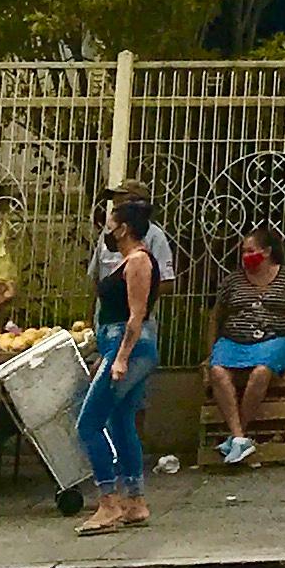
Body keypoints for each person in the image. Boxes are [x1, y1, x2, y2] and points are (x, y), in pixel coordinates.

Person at [78, 188, 164, 533]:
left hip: (128, 347)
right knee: (120, 421)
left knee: (88, 423)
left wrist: (120, 358)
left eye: (111, 225)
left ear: (124, 228)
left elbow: (137, 314)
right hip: (123, 346)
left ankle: (108, 501)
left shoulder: (139, 261)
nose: (107, 232)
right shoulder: (131, 261)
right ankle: (134, 499)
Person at [204, 227, 285, 466]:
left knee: (261, 372)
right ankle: (240, 437)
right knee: (217, 372)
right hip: (234, 342)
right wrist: (210, 352)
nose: (245, 256)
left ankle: (236, 436)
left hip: (275, 341)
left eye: (251, 251)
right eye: (243, 252)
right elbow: (215, 317)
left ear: (267, 252)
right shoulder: (232, 281)